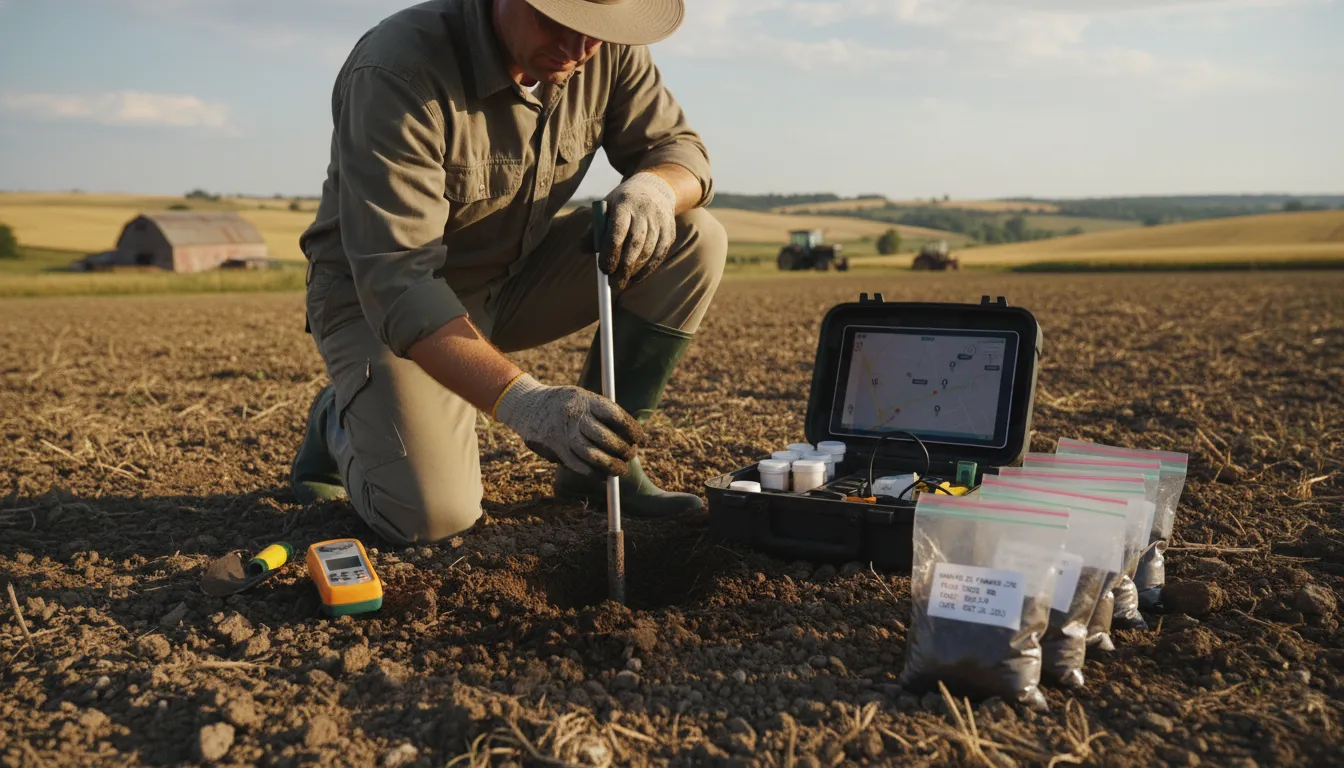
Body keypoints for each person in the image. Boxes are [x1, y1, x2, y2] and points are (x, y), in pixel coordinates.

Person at [289, 0, 726, 545]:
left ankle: (597, 465)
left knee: (694, 238)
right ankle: (339, 418)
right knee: (433, 518)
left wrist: (657, 187)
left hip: (512, 278)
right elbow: (401, 283)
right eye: (554, 22)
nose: (576, 50)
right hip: (382, 302)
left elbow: (680, 148)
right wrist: (524, 402)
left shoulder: (603, 40)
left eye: (591, 33)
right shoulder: (397, 69)